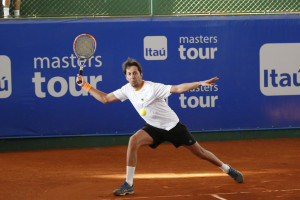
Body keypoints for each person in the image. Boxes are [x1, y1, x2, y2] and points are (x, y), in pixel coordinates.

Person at [76, 57, 244, 196]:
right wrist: (85, 85)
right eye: (129, 74)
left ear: (141, 74)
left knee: (201, 153)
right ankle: (128, 184)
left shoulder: (153, 88)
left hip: (172, 127)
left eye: (135, 73)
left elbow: (177, 88)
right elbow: (105, 99)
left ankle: (226, 168)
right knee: (133, 141)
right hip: (153, 127)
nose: (132, 76)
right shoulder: (127, 89)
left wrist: (199, 83)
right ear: (126, 77)